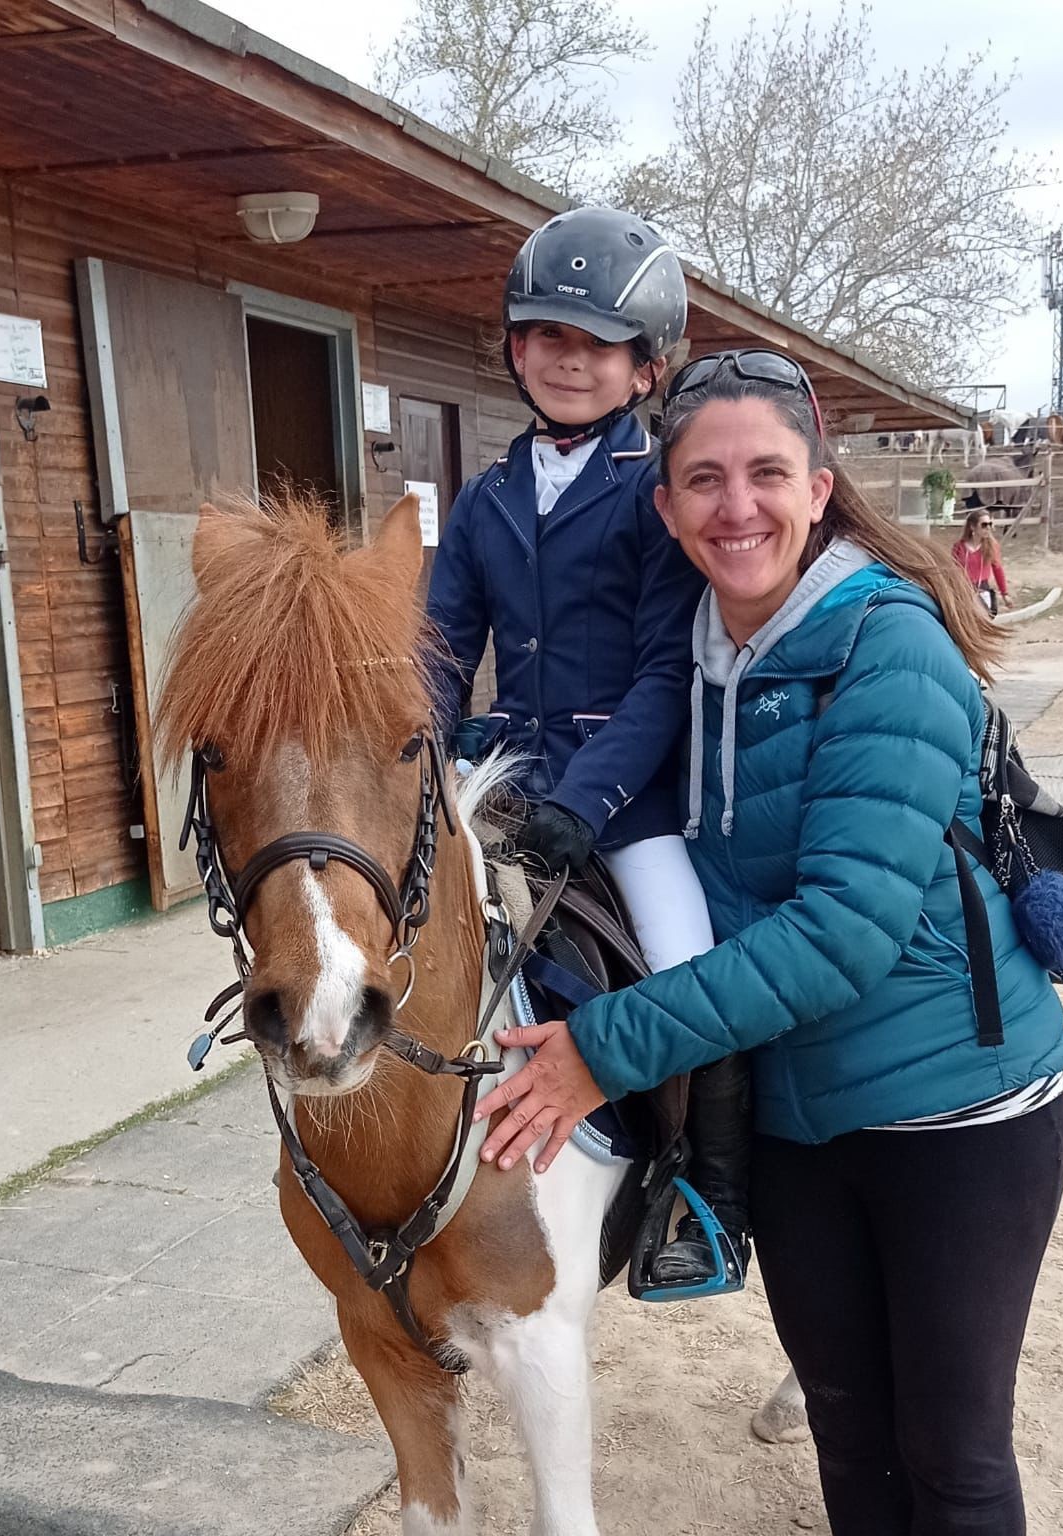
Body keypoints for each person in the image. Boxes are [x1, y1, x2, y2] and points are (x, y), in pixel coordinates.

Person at [469, 350, 1063, 1536]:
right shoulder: (700, 646)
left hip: (957, 1107)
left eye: (763, 476)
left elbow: (845, 935)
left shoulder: (891, 650)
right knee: (853, 1431)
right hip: (804, 1113)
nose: (735, 506)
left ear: (817, 486)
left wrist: (602, 1051)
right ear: (667, 507)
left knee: (950, 1446)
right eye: (702, 481)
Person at [424, 205, 749, 1296]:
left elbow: (665, 672)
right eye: (546, 337)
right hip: (504, 783)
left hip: (625, 794)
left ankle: (698, 1200)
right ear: (514, 349)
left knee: (690, 969)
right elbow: (438, 650)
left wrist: (590, 795)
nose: (567, 361)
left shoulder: (653, 495)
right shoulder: (483, 501)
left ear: (644, 367)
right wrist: (421, 767)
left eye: (595, 344)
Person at [951, 509, 1009, 616]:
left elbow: (998, 569)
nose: (988, 528)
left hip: (983, 590)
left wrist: (1004, 593)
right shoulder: (959, 547)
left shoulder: (992, 546)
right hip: (963, 589)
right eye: (984, 525)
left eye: (990, 524)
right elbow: (952, 570)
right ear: (973, 527)